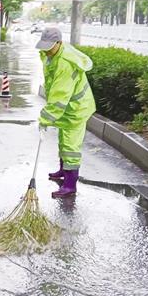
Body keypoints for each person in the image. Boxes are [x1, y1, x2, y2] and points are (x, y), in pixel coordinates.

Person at [35, 28, 96, 198]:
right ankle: (63, 171)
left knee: (70, 147)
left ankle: (70, 185)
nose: (46, 50)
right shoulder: (51, 54)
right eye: (44, 46)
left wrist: (44, 119)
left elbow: (59, 96)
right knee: (63, 140)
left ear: (59, 43)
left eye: (50, 47)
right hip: (68, 108)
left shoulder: (65, 64)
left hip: (76, 109)